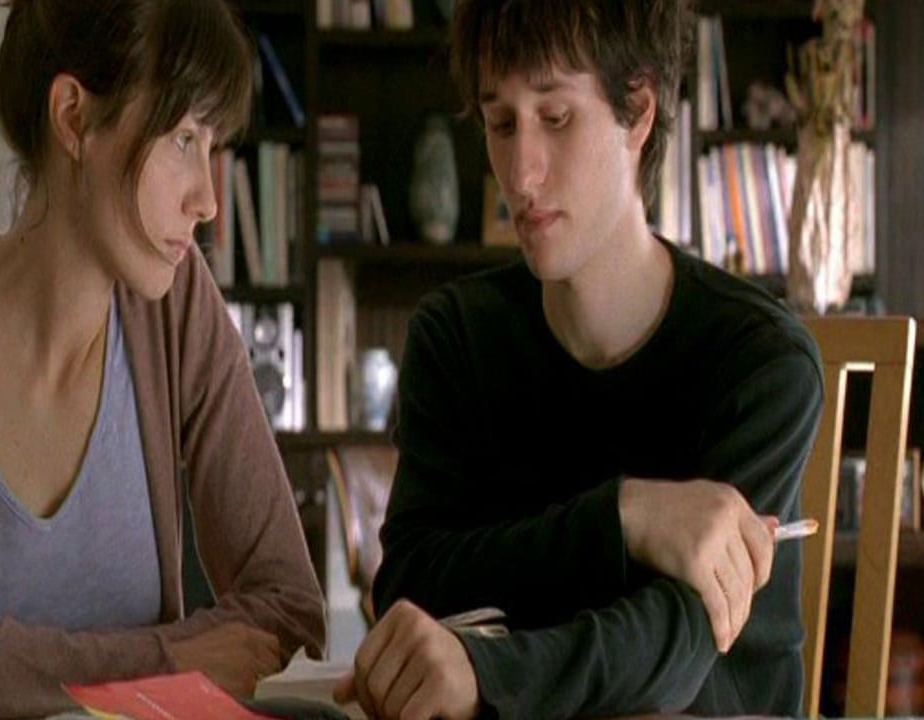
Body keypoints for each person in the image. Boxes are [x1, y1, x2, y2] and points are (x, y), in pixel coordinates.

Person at [335, 1, 824, 718]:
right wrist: (626, 517)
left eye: (556, 117)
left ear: (639, 111)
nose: (521, 175)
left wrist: (487, 674)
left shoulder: (761, 362)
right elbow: (412, 585)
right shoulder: (456, 335)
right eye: (501, 124)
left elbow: (680, 646)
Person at [0, 0, 325, 716]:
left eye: (212, 145)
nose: (207, 201)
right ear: (73, 117)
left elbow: (290, 611)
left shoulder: (175, 302)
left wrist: (13, 671)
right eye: (182, 139)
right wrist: (172, 663)